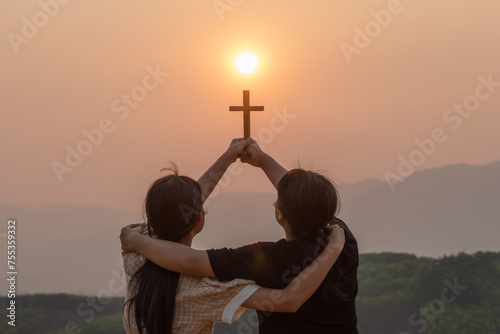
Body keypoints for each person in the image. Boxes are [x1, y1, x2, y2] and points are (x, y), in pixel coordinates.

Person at [121, 138, 359, 334]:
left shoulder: (135, 255)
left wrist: (135, 241)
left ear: (280, 213)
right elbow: (308, 199)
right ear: (199, 219)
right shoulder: (339, 235)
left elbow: (185, 244)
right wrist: (333, 248)